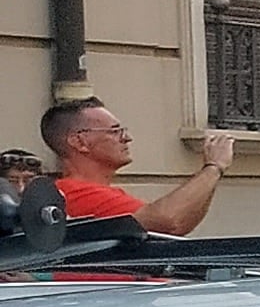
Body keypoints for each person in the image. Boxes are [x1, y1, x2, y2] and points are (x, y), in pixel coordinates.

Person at [42, 96, 232, 235]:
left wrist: (213, 172)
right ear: (79, 142)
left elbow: (179, 225)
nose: (127, 138)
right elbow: (168, 221)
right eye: (115, 131)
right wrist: (213, 167)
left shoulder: (96, 192)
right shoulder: (73, 192)